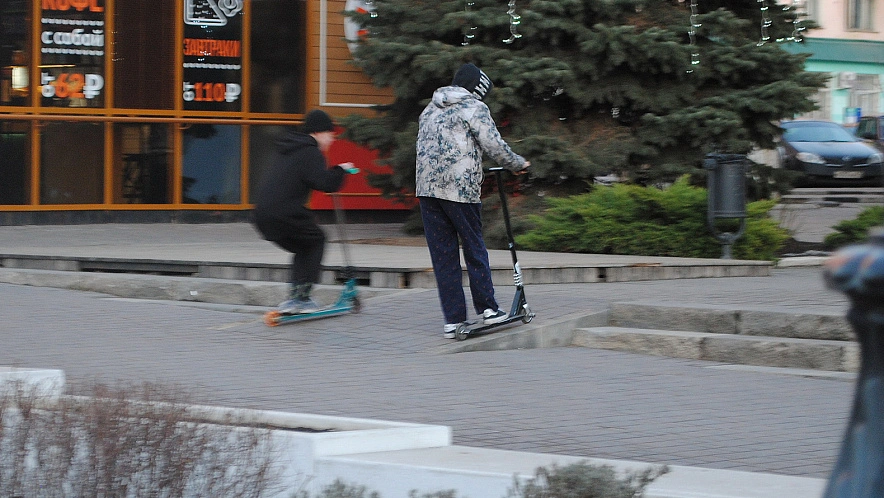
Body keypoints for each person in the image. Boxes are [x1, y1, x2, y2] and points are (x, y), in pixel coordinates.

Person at [415, 63, 530, 338]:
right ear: (478, 88)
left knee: (444, 256)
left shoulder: (429, 109)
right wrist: (517, 164)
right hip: (459, 189)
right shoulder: (474, 107)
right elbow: (493, 145)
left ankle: (453, 320)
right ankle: (488, 310)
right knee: (474, 247)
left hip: (427, 190)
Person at [253, 109, 355, 314]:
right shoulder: (310, 152)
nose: (332, 140)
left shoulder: (289, 149)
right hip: (284, 213)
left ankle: (295, 298)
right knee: (316, 240)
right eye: (330, 134)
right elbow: (324, 182)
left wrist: (336, 171)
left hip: (262, 215)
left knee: (304, 246)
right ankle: (303, 298)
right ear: (318, 132)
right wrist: (341, 170)